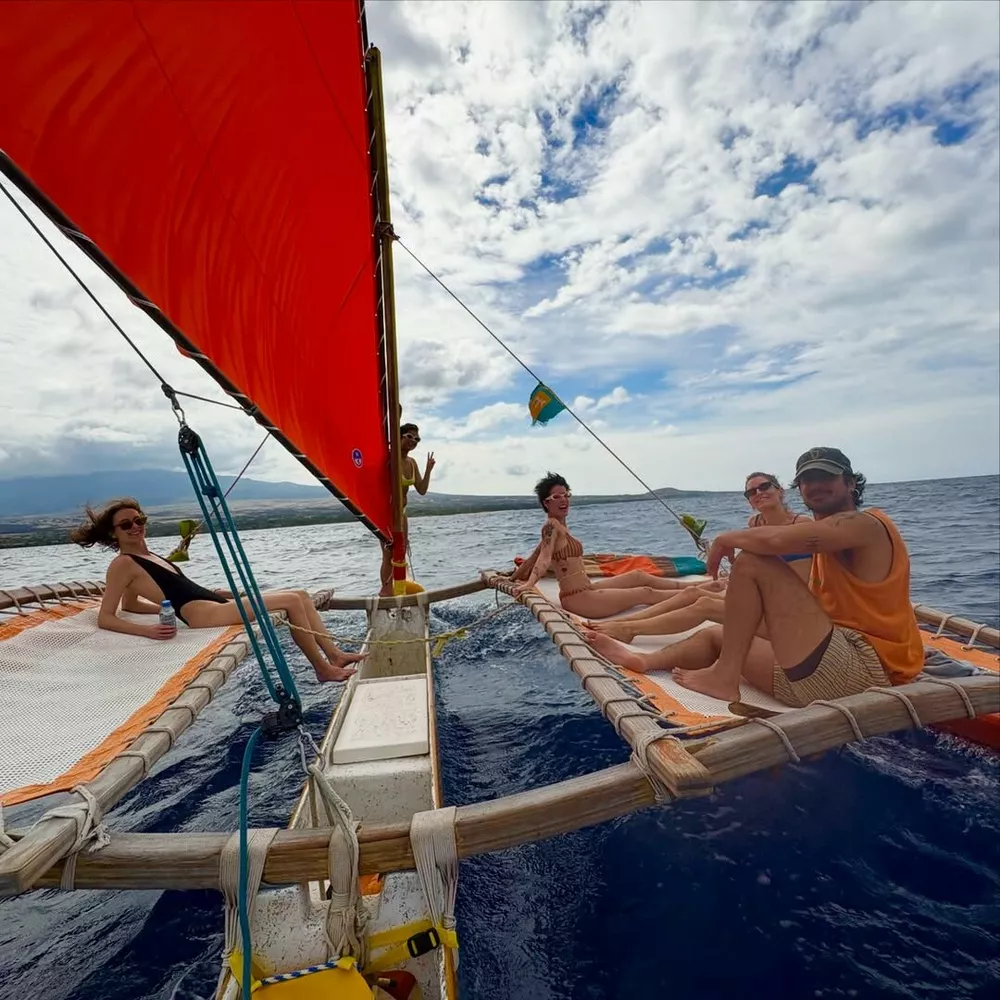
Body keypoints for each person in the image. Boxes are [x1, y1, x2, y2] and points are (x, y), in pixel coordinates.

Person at [585, 448, 924, 708]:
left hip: (864, 670)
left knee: (751, 563)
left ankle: (724, 677)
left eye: (827, 477)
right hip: (823, 669)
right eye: (807, 479)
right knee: (723, 634)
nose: (815, 485)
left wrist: (724, 540)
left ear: (850, 483)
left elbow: (777, 544)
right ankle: (644, 660)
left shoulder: (866, 524)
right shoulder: (816, 533)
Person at [71, 498, 362, 682]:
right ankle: (323, 669)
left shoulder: (150, 556)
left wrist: (172, 609)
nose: (135, 527)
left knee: (299, 593)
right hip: (201, 614)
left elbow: (133, 604)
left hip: (210, 602)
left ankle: (334, 655)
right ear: (113, 533)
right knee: (290, 601)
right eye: (126, 524)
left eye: (139, 520)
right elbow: (107, 617)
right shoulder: (122, 564)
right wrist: (148, 631)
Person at [587, 471, 810, 642]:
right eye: (751, 492)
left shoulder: (802, 525)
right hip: (757, 593)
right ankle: (625, 621)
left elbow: (801, 575)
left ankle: (630, 630)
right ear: (749, 501)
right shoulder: (755, 523)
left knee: (702, 602)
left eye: (764, 487)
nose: (759, 493)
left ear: (780, 490)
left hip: (783, 606)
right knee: (692, 592)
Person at [511, 472, 706, 618]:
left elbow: (536, 555)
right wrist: (529, 584)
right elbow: (544, 559)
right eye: (557, 497)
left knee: (637, 576)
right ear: (546, 503)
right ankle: (697, 594)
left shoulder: (560, 527)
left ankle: (697, 585)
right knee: (643, 593)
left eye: (566, 495)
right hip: (579, 599)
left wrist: (515, 576)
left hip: (587, 589)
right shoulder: (550, 528)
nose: (563, 500)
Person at [379, 423, 436, 595]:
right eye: (409, 437)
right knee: (388, 553)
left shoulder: (411, 462)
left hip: (402, 512)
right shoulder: (389, 457)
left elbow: (422, 489)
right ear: (400, 436)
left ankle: (400, 588)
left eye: (417, 439)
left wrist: (428, 470)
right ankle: (386, 591)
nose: (414, 441)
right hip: (387, 512)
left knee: (401, 552)